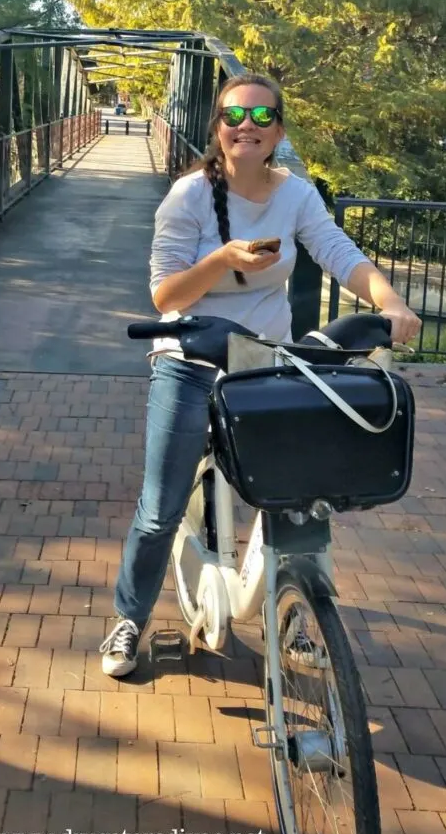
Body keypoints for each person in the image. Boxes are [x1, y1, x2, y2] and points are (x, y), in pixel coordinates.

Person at [99, 72, 421, 677]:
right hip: (191, 358)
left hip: (264, 362)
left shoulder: (295, 195)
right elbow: (164, 293)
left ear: (280, 129)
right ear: (217, 127)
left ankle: (295, 607)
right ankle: (128, 618)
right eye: (233, 115)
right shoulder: (189, 197)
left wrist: (390, 301)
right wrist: (222, 258)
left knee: (295, 493)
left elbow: (339, 253)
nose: (246, 126)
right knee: (160, 507)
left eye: (261, 116)